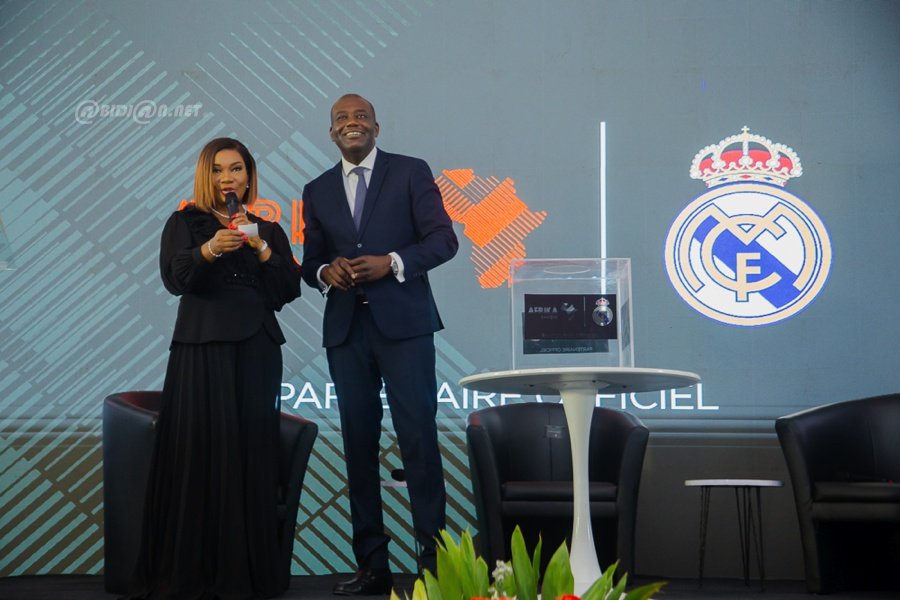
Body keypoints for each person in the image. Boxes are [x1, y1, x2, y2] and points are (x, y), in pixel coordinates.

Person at [127, 137, 302, 599]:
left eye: (237, 169)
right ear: (206, 176)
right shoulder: (185, 223)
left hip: (258, 349)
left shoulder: (268, 229)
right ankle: (194, 573)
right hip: (202, 349)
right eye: (219, 170)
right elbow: (174, 279)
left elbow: (287, 290)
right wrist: (209, 250)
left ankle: (246, 575)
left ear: (249, 176)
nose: (228, 178)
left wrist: (260, 247)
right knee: (201, 450)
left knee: (251, 452)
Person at [301, 94, 458, 595]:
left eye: (361, 116)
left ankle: (435, 568)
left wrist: (391, 262)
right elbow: (311, 262)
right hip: (347, 332)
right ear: (332, 133)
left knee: (418, 442)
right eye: (342, 119)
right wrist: (325, 272)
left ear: (376, 127)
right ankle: (373, 566)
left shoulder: (410, 172)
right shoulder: (317, 189)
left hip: (405, 328)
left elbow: (443, 240)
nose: (352, 123)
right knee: (358, 446)